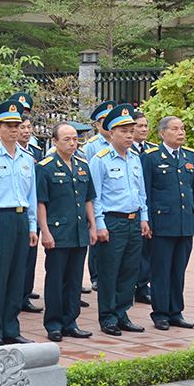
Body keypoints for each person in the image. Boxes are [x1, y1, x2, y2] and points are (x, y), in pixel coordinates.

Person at [0, 101, 38, 347]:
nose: (15, 129)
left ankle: (12, 327)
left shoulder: (26, 158)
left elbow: (31, 194)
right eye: (9, 125)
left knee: (17, 277)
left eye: (17, 125)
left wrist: (32, 226)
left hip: (21, 219)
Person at [89, 104, 150, 337]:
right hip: (112, 222)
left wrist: (144, 218)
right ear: (111, 133)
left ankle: (122, 314)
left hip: (134, 222)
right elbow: (94, 197)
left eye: (131, 131)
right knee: (109, 271)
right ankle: (108, 317)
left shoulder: (135, 158)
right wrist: (99, 224)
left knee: (129, 271)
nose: (128, 135)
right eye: (123, 131)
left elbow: (141, 192)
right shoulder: (100, 159)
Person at [37, 122, 97, 342]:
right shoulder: (45, 167)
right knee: (55, 279)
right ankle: (53, 324)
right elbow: (41, 203)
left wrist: (93, 226)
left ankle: (70, 322)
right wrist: (45, 231)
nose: (73, 143)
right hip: (58, 233)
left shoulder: (82, 165)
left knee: (74, 280)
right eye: (67, 139)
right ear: (54, 142)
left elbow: (88, 198)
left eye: (75, 139)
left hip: (79, 231)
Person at [142, 116, 194, 331]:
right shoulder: (150, 157)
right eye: (175, 129)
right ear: (162, 134)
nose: (181, 132)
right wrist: (145, 220)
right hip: (162, 223)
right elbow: (146, 192)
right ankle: (160, 314)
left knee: (179, 270)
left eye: (183, 128)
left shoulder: (190, 156)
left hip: (185, 223)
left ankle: (176, 312)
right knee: (161, 270)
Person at [83, 100, 117, 292]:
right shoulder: (91, 146)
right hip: (96, 201)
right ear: (98, 124)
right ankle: (95, 275)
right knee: (95, 240)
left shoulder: (120, 144)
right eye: (105, 120)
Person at [17, 113, 44, 315]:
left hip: (31, 211)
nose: (26, 131)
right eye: (22, 127)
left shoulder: (35, 152)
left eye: (29, 127)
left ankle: (24, 295)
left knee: (30, 256)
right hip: (11, 213)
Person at [132, 111, 157, 305]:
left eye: (146, 125)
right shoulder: (124, 150)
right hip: (130, 209)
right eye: (140, 126)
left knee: (147, 250)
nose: (144, 129)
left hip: (150, 208)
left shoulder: (152, 150)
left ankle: (143, 286)